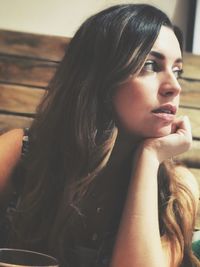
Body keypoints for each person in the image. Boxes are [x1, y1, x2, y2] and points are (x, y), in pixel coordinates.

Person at [0, 3, 200, 267]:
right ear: (102, 78)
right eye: (151, 65)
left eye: (177, 71)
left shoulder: (176, 191)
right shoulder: (21, 152)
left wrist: (149, 158)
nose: (174, 86)